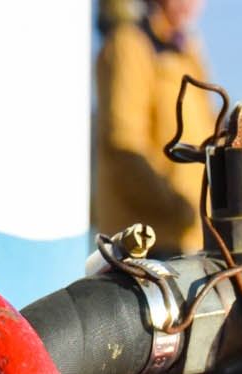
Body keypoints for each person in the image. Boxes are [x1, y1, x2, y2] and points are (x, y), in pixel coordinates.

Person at [93, 0, 214, 257]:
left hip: (192, 240)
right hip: (142, 244)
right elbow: (123, 144)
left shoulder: (189, 53)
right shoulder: (129, 43)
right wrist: (177, 207)